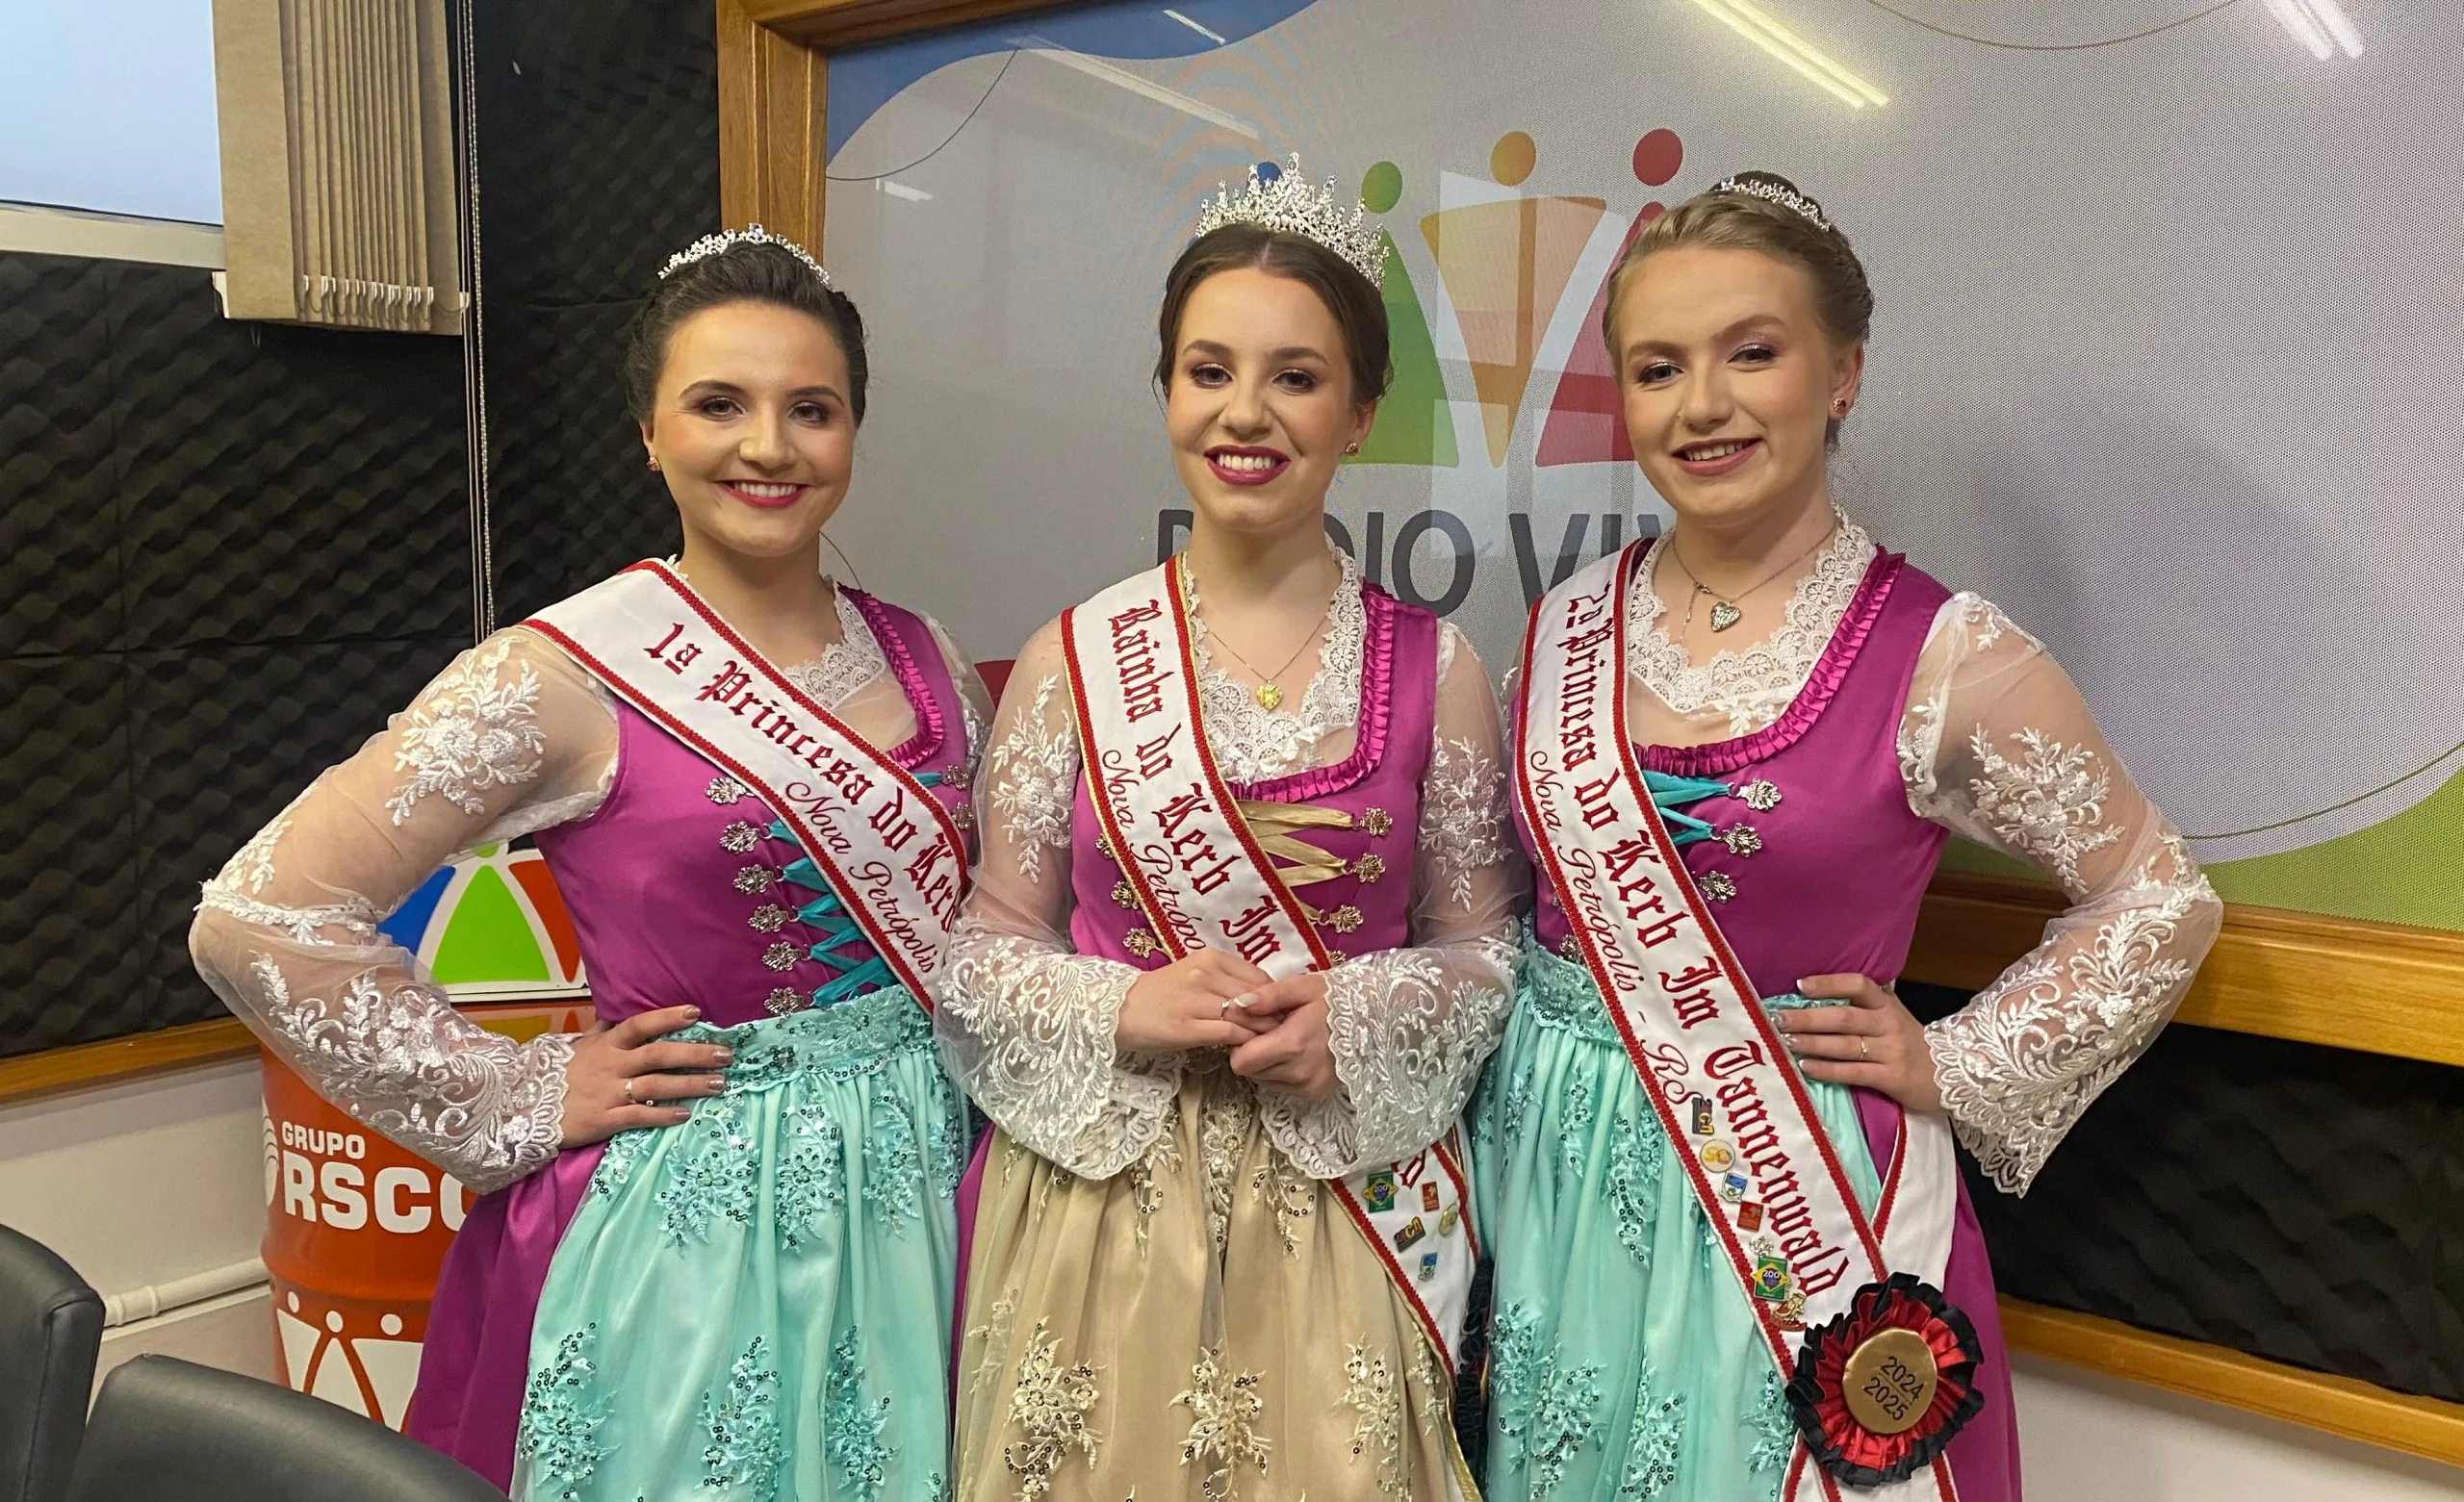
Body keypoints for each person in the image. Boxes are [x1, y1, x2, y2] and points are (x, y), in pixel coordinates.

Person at [191, 228, 988, 1499]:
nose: (768, 446)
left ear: (852, 432)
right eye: (718, 404)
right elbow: (257, 916)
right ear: (649, 431)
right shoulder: (558, 674)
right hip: (718, 1225)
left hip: (948, 1183)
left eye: (811, 409)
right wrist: (520, 1094)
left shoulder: (924, 652)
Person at [1477, 172, 2221, 1501]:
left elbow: (2157, 899)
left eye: (1751, 353)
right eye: (1658, 368)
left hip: (1796, 1184)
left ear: (1842, 373)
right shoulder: (1561, 630)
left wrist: (1956, 1060)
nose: (1701, 404)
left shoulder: (1946, 654)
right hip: (1558, 1176)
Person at [933, 159, 1522, 1500]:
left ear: (1363, 412)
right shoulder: (1073, 657)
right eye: (1208, 370)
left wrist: (1354, 1021)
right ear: (1166, 394)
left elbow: (1487, 957)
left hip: (1344, 1206)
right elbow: (985, 944)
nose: (1245, 413)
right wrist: (1122, 1008)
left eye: (1296, 377)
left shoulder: (1442, 670)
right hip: (1098, 1209)